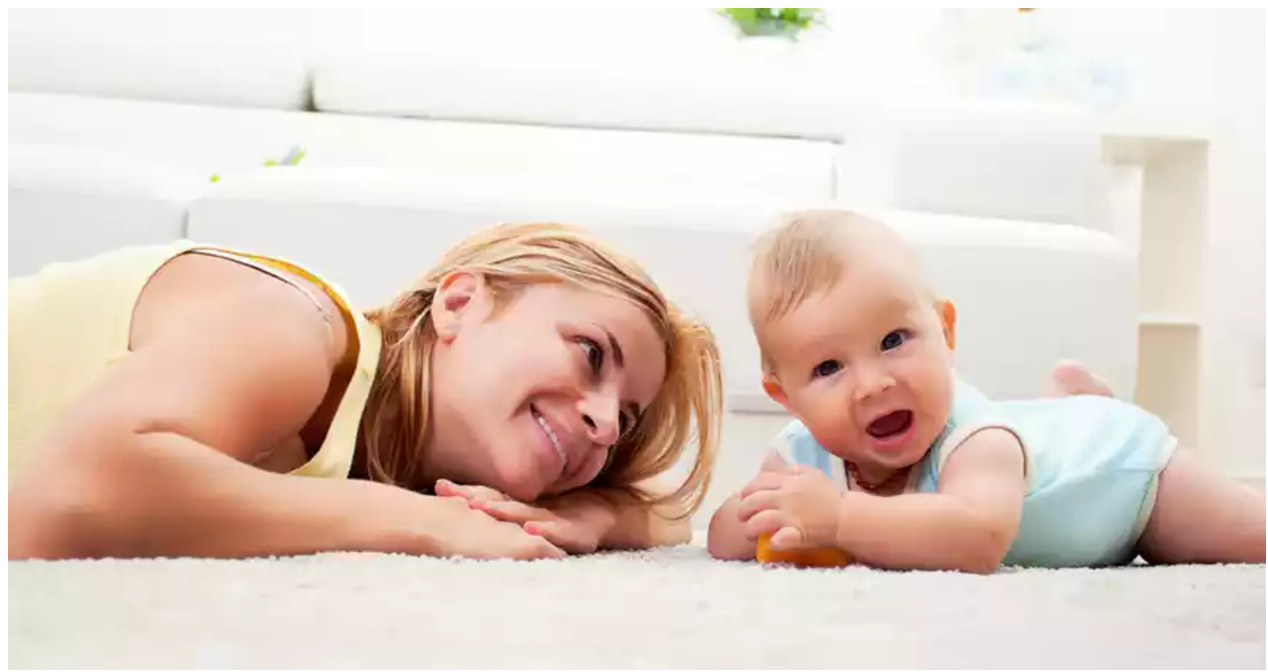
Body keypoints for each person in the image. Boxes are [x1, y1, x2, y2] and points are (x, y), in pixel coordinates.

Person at [10, 222, 722, 560]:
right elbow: (63, 501)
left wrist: (595, 518)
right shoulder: (291, 329)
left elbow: (666, 520)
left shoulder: (414, 456)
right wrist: (418, 523)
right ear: (460, 303)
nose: (602, 424)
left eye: (623, 421)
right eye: (591, 354)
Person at [708, 209, 1265, 571]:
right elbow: (721, 538)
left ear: (945, 331)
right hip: (1051, 458)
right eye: (829, 368)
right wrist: (763, 513)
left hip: (1126, 481)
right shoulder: (802, 450)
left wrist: (837, 519)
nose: (874, 383)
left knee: (1251, 537)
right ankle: (1064, 405)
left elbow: (977, 538)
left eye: (895, 339)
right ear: (786, 397)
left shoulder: (975, 437)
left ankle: (1084, 413)